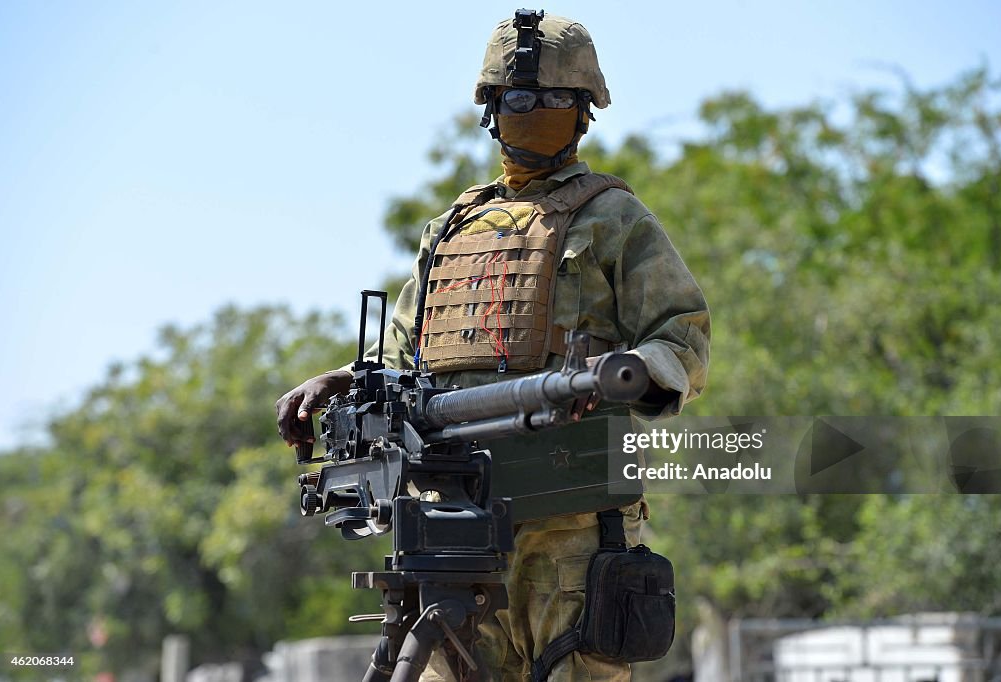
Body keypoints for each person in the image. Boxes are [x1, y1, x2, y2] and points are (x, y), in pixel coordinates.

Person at [276, 9, 710, 681]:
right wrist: (341, 380)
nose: (534, 111)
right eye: (517, 99)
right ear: (490, 109)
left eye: (555, 100)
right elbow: (401, 357)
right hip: (453, 523)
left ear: (585, 111)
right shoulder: (450, 230)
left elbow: (681, 336)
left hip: (571, 528)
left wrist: (625, 373)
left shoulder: (614, 219)